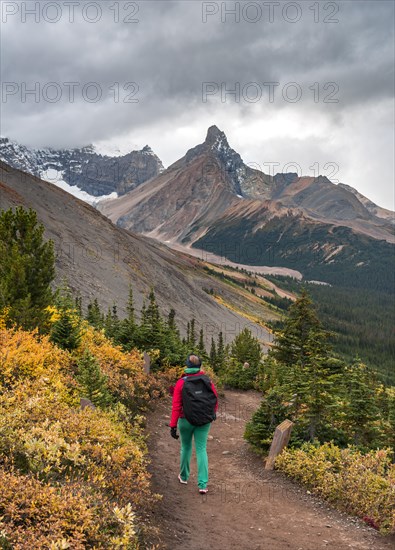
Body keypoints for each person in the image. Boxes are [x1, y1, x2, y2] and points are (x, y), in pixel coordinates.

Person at [169, 354, 218, 494]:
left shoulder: (181, 382)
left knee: (186, 446)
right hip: (204, 420)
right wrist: (211, 414)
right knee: (201, 449)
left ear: (187, 366)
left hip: (185, 420)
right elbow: (215, 399)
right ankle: (203, 485)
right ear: (199, 366)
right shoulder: (207, 380)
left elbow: (176, 406)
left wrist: (173, 425)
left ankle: (183, 477)